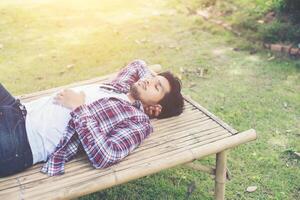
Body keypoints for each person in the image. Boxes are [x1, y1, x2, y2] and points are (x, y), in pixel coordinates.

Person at [0, 59, 184, 177]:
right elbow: (138, 64)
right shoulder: (121, 87)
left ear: (156, 109)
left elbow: (106, 155)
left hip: (22, 140)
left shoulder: (138, 122)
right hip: (18, 110)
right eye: (153, 78)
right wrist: (155, 81)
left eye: (156, 86)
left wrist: (79, 108)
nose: (148, 80)